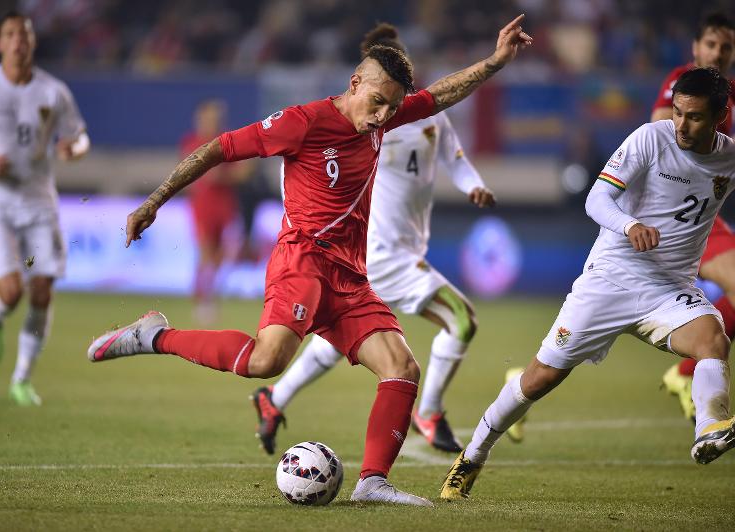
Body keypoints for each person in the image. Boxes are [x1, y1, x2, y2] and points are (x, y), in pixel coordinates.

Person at [87, 15, 532, 506]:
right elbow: (219, 148)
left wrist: (494, 61)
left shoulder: (383, 118)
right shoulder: (304, 121)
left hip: (349, 274)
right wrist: (153, 201)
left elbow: (440, 95)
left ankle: (371, 483)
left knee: (402, 367)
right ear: (354, 82)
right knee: (266, 360)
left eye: (392, 107)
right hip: (303, 259)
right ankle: (156, 335)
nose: (383, 116)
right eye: (377, 102)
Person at [442, 67, 735, 500]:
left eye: (693, 117)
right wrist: (629, 223)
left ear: (720, 116)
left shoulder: (728, 157)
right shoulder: (650, 139)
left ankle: (710, 427)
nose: (681, 125)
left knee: (714, 340)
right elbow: (597, 198)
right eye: (677, 113)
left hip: (669, 290)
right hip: (612, 278)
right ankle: (472, 455)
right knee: (540, 377)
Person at [248, 22, 496, 456]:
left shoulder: (428, 118)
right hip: (382, 252)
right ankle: (429, 411)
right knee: (460, 319)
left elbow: (454, 158)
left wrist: (472, 183)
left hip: (399, 250)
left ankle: (274, 398)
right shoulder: (371, 123)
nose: (395, 101)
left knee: (338, 340)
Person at [0, 12, 89, 406]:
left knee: (42, 291)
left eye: (24, 34)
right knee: (11, 290)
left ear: (33, 42)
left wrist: (74, 149)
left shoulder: (53, 92)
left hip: (39, 201)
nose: (18, 40)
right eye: (10, 34)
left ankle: (21, 378)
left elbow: (80, 136)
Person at [651, 12, 735, 424]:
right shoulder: (682, 82)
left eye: (726, 47)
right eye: (712, 45)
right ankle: (689, 377)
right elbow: (659, 133)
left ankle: (688, 375)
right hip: (676, 217)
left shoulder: (727, 96)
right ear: (695, 48)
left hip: (704, 215)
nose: (718, 54)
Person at [179, 100, 250, 325]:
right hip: (203, 205)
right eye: (209, 117)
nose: (213, 121)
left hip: (225, 205)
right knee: (205, 253)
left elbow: (243, 171)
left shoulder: (227, 140)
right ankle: (202, 301)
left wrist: (223, 177)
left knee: (222, 255)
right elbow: (189, 173)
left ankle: (209, 296)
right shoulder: (192, 142)